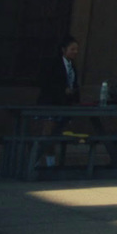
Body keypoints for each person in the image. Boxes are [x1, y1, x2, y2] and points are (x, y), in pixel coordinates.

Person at [34, 36, 82, 167]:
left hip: (64, 105)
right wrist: (62, 90)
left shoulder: (72, 66)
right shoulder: (53, 64)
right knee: (47, 133)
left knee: (55, 134)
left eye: (77, 49)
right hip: (50, 103)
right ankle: (35, 161)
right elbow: (45, 82)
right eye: (72, 49)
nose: (75, 52)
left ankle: (50, 163)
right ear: (63, 50)